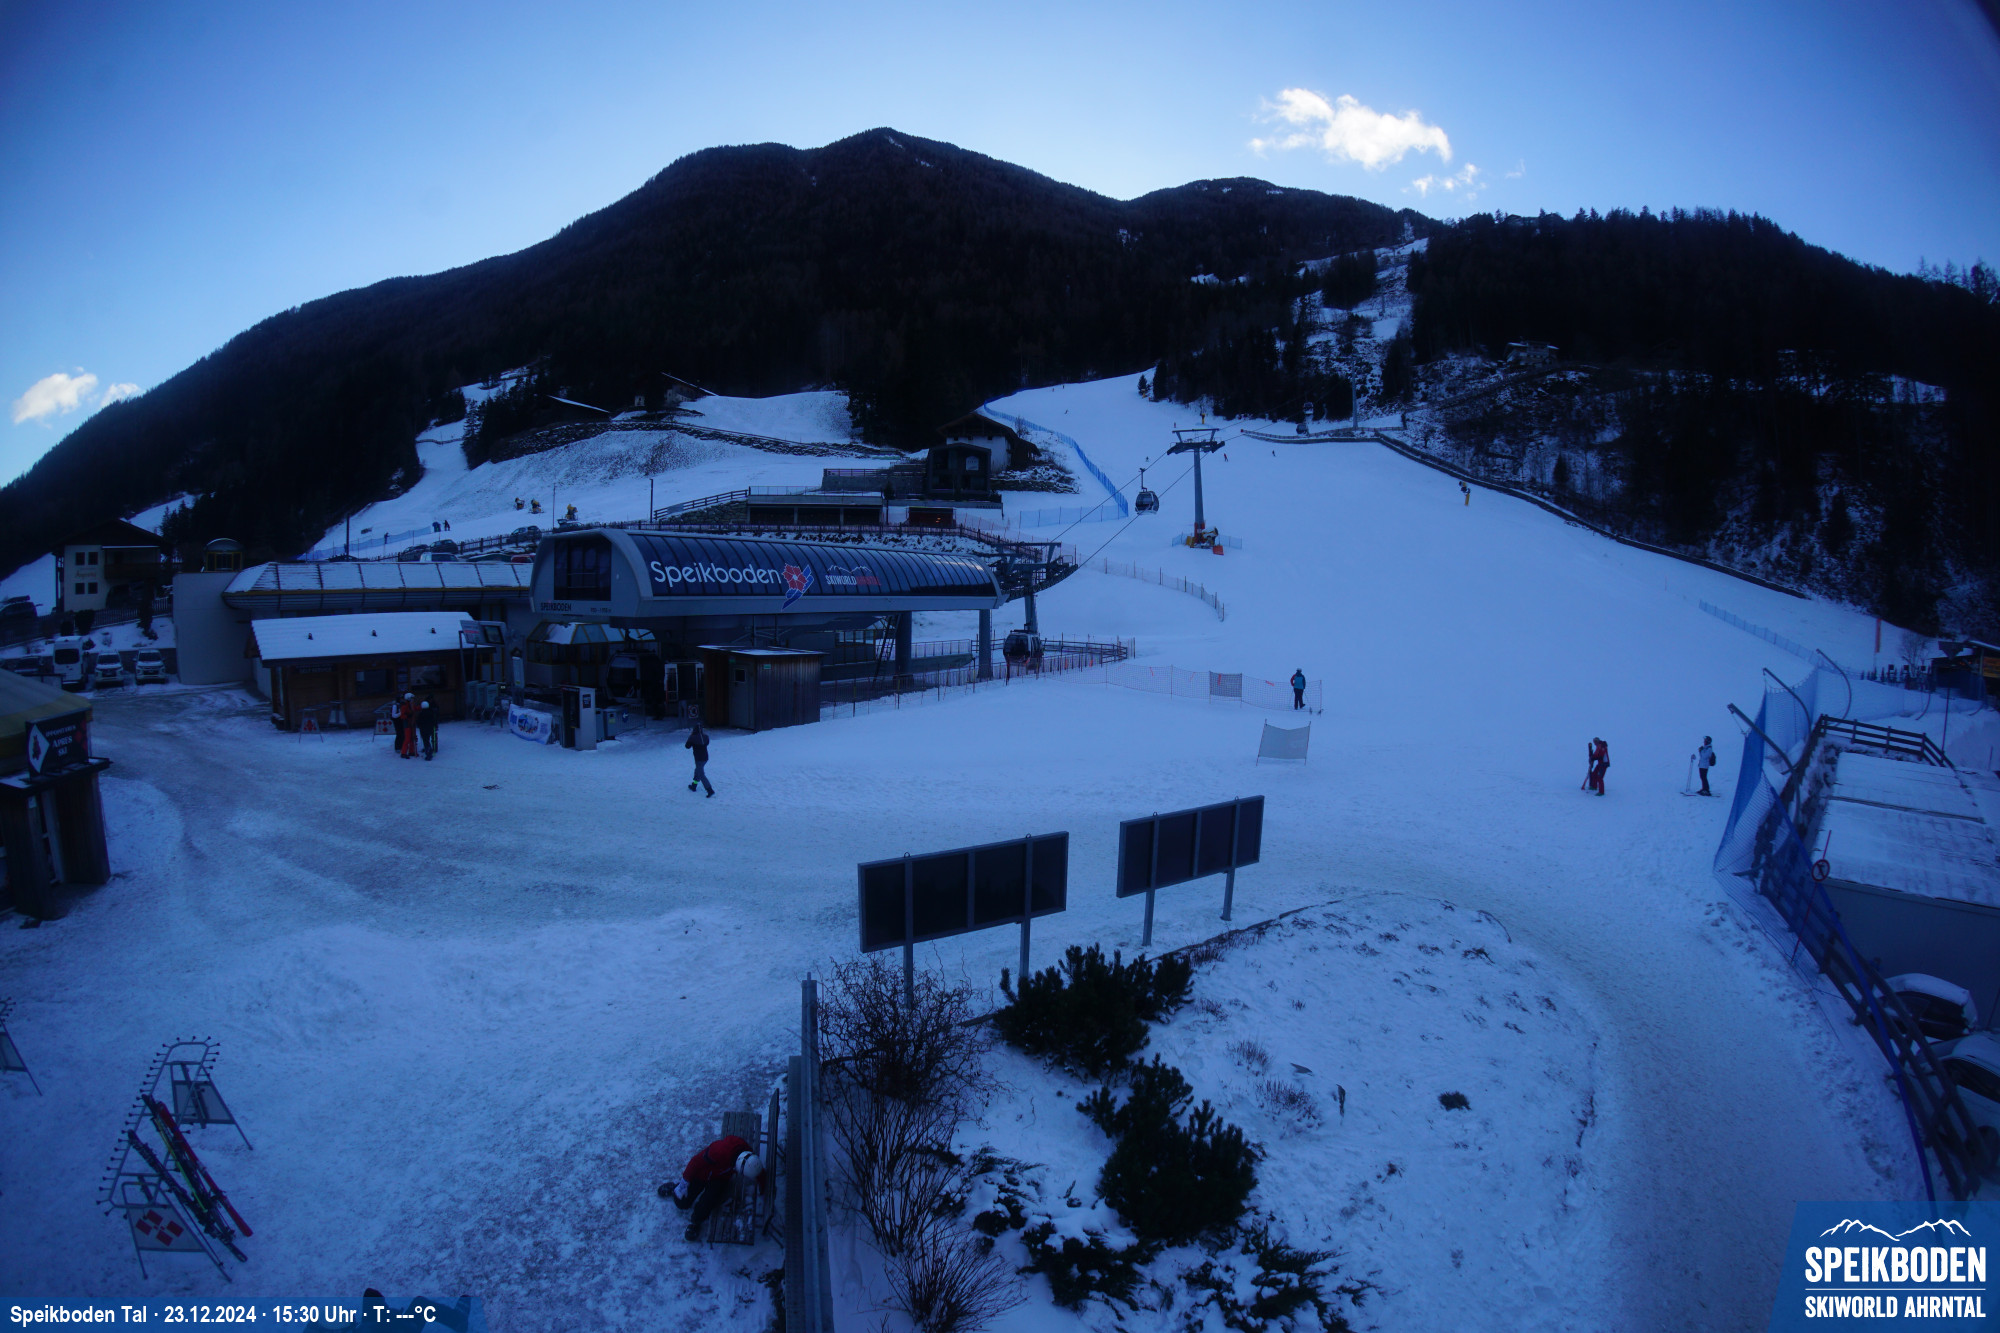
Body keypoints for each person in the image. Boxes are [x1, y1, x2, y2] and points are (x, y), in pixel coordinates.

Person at [660, 1134, 769, 1241]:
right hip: (703, 1174)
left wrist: (763, 1187)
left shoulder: (748, 1157)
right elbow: (695, 1162)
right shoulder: (718, 1152)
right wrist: (685, 1182)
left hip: (720, 1177)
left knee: (707, 1202)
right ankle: (675, 1187)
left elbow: (758, 1171)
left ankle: (696, 1222)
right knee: (682, 1203)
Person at [685, 720, 714, 797]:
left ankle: (709, 790)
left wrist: (691, 738)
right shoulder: (706, 737)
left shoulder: (692, 737)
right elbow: (706, 743)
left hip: (698, 759)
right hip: (705, 758)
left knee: (701, 774)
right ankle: (694, 785)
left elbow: (687, 746)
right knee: (697, 770)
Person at [396, 693, 419, 759]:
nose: (413, 700)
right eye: (412, 698)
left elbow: (415, 708)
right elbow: (402, 716)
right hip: (407, 724)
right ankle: (403, 753)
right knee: (407, 739)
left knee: (412, 738)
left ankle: (411, 751)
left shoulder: (411, 705)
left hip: (412, 723)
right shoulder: (404, 706)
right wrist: (408, 716)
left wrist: (422, 706)